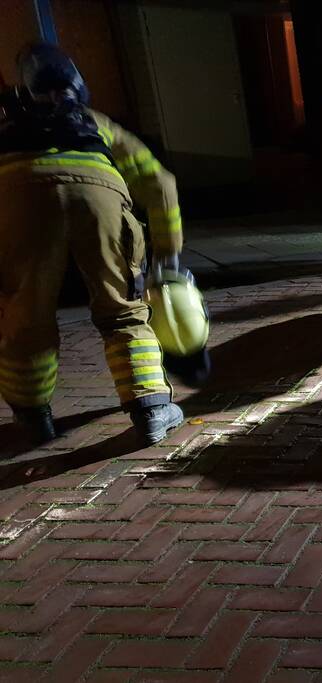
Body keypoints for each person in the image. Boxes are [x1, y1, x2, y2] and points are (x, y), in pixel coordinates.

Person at [0, 43, 185, 447]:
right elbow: (161, 185)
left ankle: (33, 420)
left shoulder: (5, 128)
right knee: (122, 311)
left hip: (18, 195)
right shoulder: (96, 123)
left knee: (23, 318)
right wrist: (168, 255)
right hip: (98, 197)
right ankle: (151, 410)